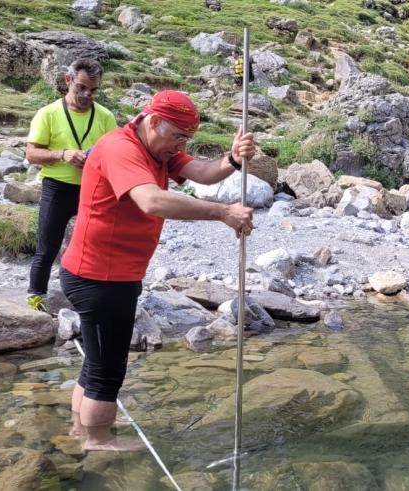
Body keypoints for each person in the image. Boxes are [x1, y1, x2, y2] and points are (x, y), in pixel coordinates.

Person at [60, 90, 256, 451]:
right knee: (108, 370)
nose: (181, 145)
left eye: (187, 138)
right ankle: (98, 441)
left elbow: (201, 172)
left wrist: (231, 158)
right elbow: (151, 200)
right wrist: (222, 212)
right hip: (100, 276)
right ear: (153, 123)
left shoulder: (155, 147)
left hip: (111, 274)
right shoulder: (120, 149)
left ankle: (81, 428)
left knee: (97, 361)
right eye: (178, 136)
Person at [25, 59, 118, 313]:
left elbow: (116, 153)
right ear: (68, 81)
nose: (87, 94)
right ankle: (35, 298)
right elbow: (32, 154)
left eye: (94, 90)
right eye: (82, 87)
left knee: (98, 244)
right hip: (57, 186)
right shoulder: (48, 113)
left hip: (95, 188)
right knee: (48, 245)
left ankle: (96, 296)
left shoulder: (106, 117)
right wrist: (63, 154)